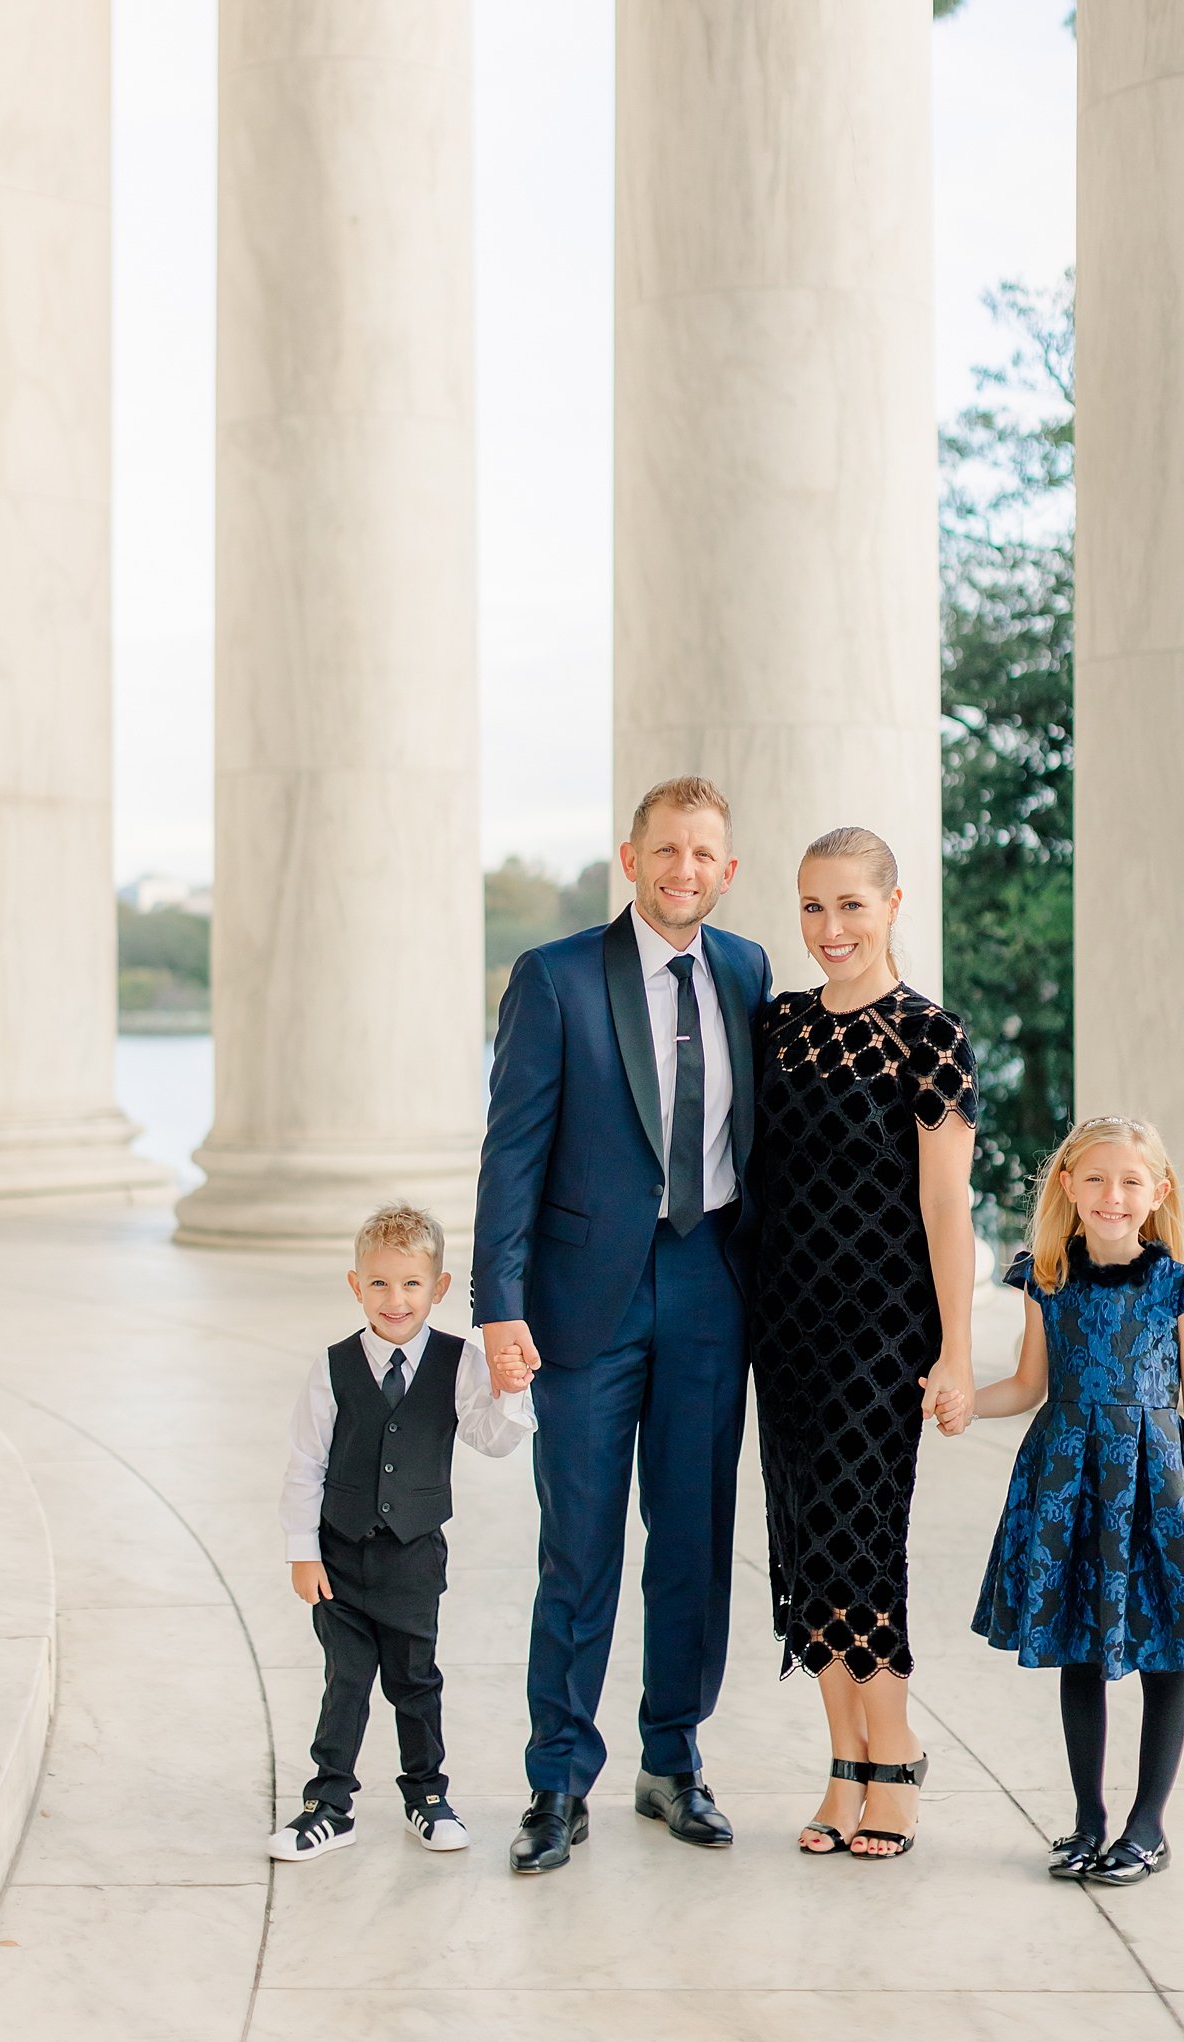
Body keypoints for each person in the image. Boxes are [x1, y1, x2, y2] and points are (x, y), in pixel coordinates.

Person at [473, 776, 773, 1874]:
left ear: (726, 870)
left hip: (710, 1285)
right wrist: (497, 1305)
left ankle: (673, 1758)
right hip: (584, 1299)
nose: (683, 870)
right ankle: (557, 1779)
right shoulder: (554, 980)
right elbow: (511, 1155)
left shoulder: (747, 970)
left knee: (693, 1541)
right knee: (580, 1544)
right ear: (630, 858)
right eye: (666, 851)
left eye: (704, 854)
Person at [969, 1116, 1184, 1885]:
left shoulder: (1181, 1285)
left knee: (1162, 1651)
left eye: (1131, 1181)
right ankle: (1087, 1821)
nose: (1113, 1196)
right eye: (1097, 1179)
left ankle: (1146, 1827)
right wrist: (959, 1401)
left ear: (1157, 1192)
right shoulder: (1046, 1276)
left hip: (1155, 1482)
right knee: (1080, 1642)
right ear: (1067, 1185)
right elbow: (1028, 1384)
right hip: (1069, 1480)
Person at [752, 826, 977, 1861]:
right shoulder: (780, 1025)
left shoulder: (929, 1036)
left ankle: (895, 1754)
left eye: (850, 905)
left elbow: (945, 1206)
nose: (829, 929)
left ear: (893, 906)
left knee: (861, 1542)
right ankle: (844, 1764)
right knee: (807, 1549)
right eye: (811, 907)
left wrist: (958, 1351)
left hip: (884, 1331)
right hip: (786, 1326)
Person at [269, 1203, 534, 1862]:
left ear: (438, 1289)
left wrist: (510, 1391)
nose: (396, 1299)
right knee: (346, 1681)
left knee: (415, 1681)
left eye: (411, 1284)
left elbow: (492, 1441)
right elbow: (306, 1464)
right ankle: (328, 1803)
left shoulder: (458, 1361)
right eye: (380, 1283)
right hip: (340, 1559)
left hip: (414, 1558)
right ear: (357, 1285)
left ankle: (427, 1793)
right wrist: (303, 1553)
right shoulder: (331, 1369)